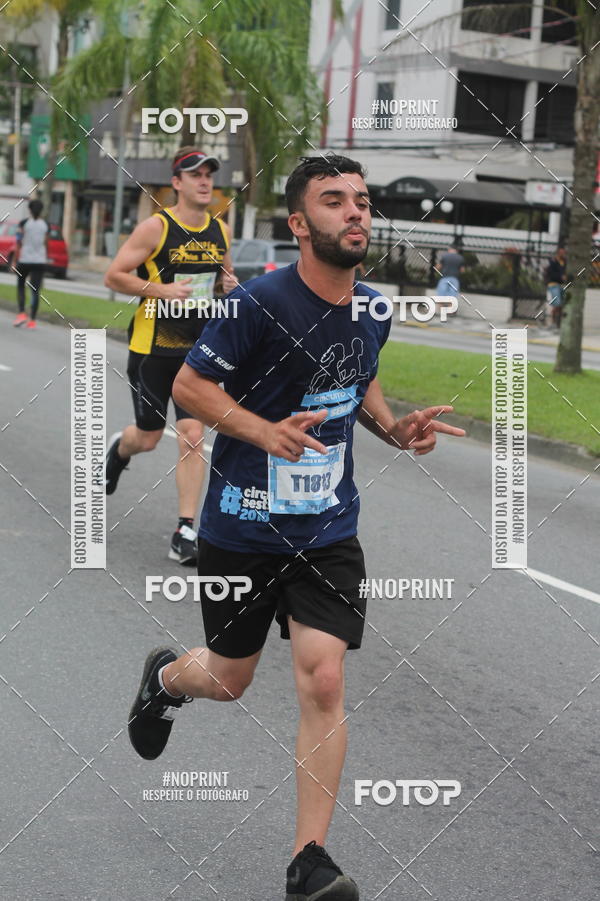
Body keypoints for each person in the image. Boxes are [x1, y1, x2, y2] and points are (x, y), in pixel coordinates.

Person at [127, 153, 466, 900]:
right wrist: (263, 430)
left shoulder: (373, 308)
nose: (356, 213)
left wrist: (395, 428)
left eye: (363, 202)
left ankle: (308, 859)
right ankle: (163, 678)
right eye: (335, 200)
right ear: (299, 223)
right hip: (243, 527)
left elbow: (358, 380)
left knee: (324, 675)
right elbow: (190, 385)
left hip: (327, 529)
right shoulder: (255, 304)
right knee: (228, 675)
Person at [103, 147, 236, 564]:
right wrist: (162, 290)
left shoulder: (221, 230)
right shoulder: (156, 228)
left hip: (198, 354)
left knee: (193, 437)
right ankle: (119, 451)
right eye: (194, 174)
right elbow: (114, 275)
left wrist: (229, 286)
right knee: (146, 437)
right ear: (176, 183)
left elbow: (225, 277)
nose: (204, 181)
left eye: (209, 174)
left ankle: (185, 530)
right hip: (153, 349)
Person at [13, 199, 48, 329]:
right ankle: (32, 320)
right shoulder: (45, 225)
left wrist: (15, 260)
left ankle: (22, 313)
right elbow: (46, 242)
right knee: (35, 290)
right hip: (39, 261)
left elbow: (18, 242)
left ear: (29, 209)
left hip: (25, 260)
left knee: (21, 287)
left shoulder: (23, 223)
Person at [545, 247, 567, 328]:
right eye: (561, 252)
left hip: (562, 285)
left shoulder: (564, 262)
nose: (562, 254)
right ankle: (553, 322)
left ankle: (559, 323)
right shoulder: (553, 261)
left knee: (562, 305)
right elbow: (550, 273)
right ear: (558, 253)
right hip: (553, 284)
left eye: (563, 252)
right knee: (557, 303)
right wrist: (561, 277)